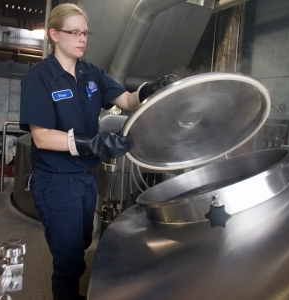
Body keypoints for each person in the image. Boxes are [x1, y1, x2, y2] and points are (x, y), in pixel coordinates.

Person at [19, 3, 179, 300]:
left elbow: (128, 100)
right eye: (74, 32)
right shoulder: (39, 78)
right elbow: (40, 137)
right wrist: (92, 144)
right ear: (54, 34)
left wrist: (150, 89)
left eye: (85, 33)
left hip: (86, 178)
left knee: (80, 244)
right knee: (68, 258)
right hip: (56, 181)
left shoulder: (92, 73)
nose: (82, 39)